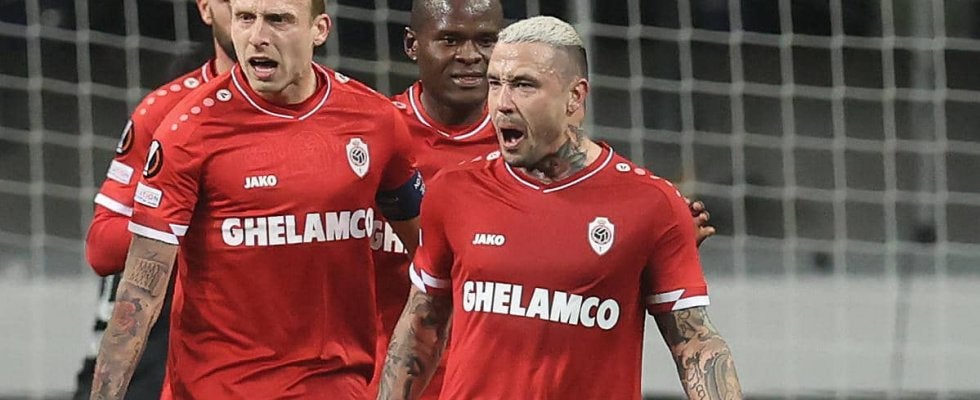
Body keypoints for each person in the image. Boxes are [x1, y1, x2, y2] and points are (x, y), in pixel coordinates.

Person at [378, 16, 742, 400]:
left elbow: (695, 344)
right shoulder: (454, 191)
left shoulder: (651, 203)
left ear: (575, 98)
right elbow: (422, 325)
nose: (502, 104)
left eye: (523, 85)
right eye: (495, 84)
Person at [90, 0, 423, 398]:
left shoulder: (375, 121)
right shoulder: (188, 129)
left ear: (319, 30)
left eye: (278, 20)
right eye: (246, 18)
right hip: (219, 389)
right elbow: (138, 291)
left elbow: (431, 263)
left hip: (335, 386)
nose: (258, 37)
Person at [74, 1, 236, 398]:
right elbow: (102, 248)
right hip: (167, 355)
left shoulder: (351, 116)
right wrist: (194, 217)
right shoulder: (164, 113)